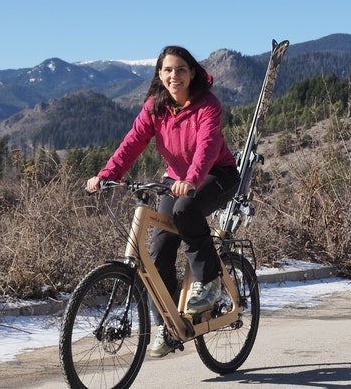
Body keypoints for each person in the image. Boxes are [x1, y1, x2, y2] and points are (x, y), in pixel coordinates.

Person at [86, 45, 240, 358]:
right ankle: (167, 327)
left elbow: (207, 148)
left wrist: (192, 180)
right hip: (177, 180)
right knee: (158, 255)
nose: (174, 76)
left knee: (186, 211)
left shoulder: (207, 105)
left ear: (192, 72)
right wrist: (106, 175)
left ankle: (209, 283)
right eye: (168, 70)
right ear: (160, 74)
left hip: (216, 175)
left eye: (181, 69)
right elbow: (132, 143)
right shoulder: (155, 108)